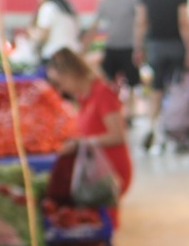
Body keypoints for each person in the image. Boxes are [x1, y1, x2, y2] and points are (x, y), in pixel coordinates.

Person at [43, 47, 131, 223]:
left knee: (101, 223)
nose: (60, 90)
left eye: (59, 82)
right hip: (95, 167)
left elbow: (118, 135)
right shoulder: (84, 97)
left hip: (110, 170)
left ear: (71, 73)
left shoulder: (102, 93)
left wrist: (80, 144)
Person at [137, 0, 189, 92]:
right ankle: (173, 112)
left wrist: (138, 47)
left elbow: (141, 21)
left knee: (157, 84)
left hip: (155, 44)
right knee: (176, 84)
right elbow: (183, 23)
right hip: (175, 43)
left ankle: (155, 113)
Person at [94, 0, 138, 87]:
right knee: (109, 78)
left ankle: (130, 103)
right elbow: (97, 25)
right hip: (110, 46)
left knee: (132, 80)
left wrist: (138, 44)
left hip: (127, 46)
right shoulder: (103, 3)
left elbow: (139, 20)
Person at [31, 0, 82, 67]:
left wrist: (31, 32)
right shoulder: (68, 7)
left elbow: (42, 36)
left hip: (55, 57)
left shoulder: (48, 8)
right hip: (74, 55)